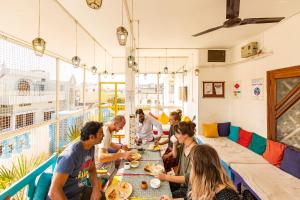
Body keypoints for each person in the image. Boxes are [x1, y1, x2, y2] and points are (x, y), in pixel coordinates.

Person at [47, 121, 105, 200]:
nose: (103, 136)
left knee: (103, 196)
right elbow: (54, 192)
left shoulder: (91, 147)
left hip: (80, 192)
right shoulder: (70, 156)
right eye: (101, 133)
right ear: (91, 137)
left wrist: (95, 189)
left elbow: (92, 169)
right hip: (66, 197)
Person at [160, 144, 240, 200]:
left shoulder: (227, 196)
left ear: (199, 169)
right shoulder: (201, 184)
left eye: (192, 164)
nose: (191, 168)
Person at [155, 121, 198, 199]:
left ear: (185, 135)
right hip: (180, 182)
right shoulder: (184, 144)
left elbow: (187, 179)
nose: (175, 136)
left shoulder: (196, 153)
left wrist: (165, 177)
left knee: (161, 194)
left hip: (188, 189)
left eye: (177, 134)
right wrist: (174, 144)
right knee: (159, 185)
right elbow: (175, 155)